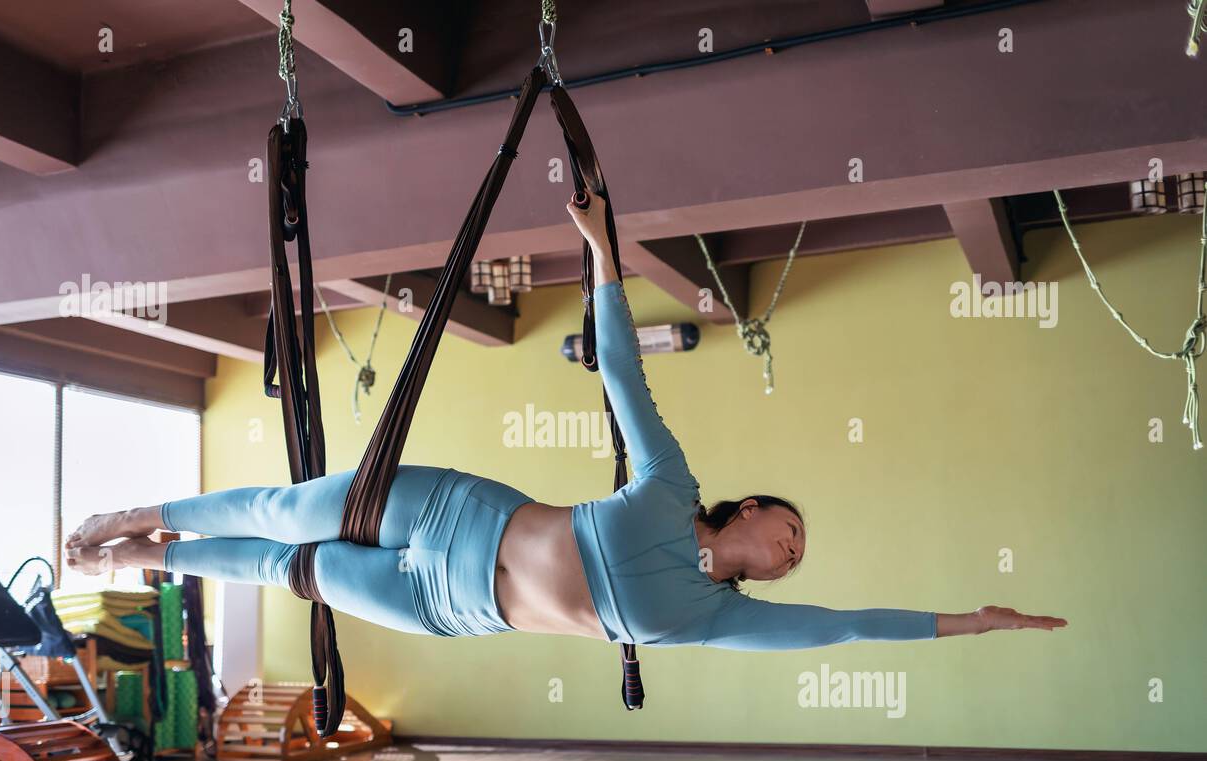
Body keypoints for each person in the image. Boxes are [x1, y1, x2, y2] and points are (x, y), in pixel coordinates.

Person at [66, 194, 1067, 649]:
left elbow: (849, 625)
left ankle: (140, 561)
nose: (791, 555)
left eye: (794, 556)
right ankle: (135, 511)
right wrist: (602, 249)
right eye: (790, 533)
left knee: (289, 570)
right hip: (453, 517)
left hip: (447, 607)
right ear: (751, 507)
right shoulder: (670, 483)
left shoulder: (720, 619)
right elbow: (623, 373)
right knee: (287, 509)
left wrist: (974, 619)